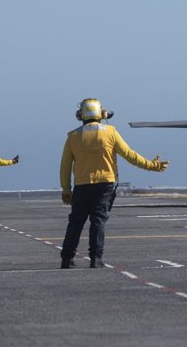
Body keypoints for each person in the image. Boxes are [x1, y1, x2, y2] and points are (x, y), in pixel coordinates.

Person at [59, 98, 168, 269]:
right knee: (98, 221)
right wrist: (151, 166)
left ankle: (67, 259)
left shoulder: (72, 136)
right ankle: (96, 258)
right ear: (101, 113)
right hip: (105, 184)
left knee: (76, 222)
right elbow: (130, 155)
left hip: (81, 185)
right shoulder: (110, 132)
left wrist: (66, 189)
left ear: (80, 115)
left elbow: (65, 166)